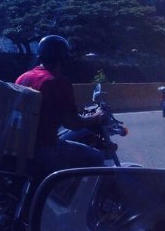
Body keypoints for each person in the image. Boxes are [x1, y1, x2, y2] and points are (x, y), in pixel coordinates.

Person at [15, 35, 106, 179]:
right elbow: (73, 123)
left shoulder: (23, 77)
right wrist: (96, 117)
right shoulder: (57, 81)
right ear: (63, 58)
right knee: (96, 157)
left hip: (20, 144)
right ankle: (76, 199)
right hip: (44, 147)